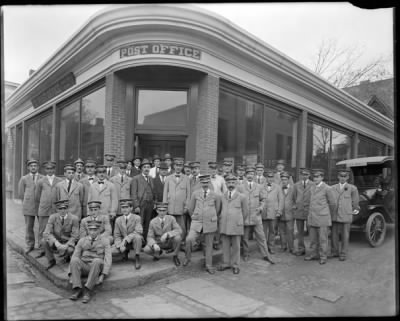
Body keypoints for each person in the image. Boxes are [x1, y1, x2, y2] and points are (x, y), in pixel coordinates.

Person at [184, 174, 222, 274]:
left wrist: (211, 216)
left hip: (210, 222)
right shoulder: (195, 194)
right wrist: (194, 216)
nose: (205, 184)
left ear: (209, 183)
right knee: (189, 239)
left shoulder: (216, 195)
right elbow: (190, 208)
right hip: (197, 222)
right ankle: (187, 258)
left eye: (207, 182)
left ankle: (209, 265)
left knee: (209, 245)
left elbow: (217, 209)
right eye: (203, 182)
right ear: (200, 183)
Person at [237, 166, 275, 263]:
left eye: (252, 174)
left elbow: (263, 199)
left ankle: (266, 255)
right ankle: (245, 253)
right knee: (245, 238)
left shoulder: (259, 187)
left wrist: (261, 207)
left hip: (256, 216)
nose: (250, 176)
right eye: (248, 174)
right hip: (245, 217)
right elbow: (237, 201)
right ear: (245, 175)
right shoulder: (240, 187)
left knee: (261, 237)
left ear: (254, 175)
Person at [68, 220, 112, 303]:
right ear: (87, 230)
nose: (92, 232)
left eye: (95, 230)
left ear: (99, 230)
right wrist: (71, 274)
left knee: (96, 261)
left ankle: (88, 291)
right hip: (85, 266)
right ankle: (78, 289)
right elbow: (75, 255)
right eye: (90, 230)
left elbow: (108, 258)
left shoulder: (104, 241)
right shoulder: (82, 240)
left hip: (97, 267)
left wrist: (103, 275)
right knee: (74, 260)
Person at [218, 175, 248, 274]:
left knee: (236, 246)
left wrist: (238, 220)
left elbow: (245, 212)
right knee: (225, 245)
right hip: (225, 225)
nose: (231, 185)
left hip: (236, 225)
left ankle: (235, 265)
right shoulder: (222, 196)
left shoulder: (242, 197)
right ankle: (225, 263)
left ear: (236, 184)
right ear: (226, 184)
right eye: (229, 183)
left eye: (233, 183)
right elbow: (219, 210)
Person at [305, 169, 335, 265]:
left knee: (323, 239)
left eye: (318, 177)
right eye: (314, 177)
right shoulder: (312, 187)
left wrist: (327, 214)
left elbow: (333, 204)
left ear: (322, 177)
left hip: (322, 218)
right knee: (313, 238)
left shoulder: (327, 188)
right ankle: (313, 254)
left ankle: (323, 256)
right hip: (312, 217)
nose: (315, 179)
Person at [330, 169, 360, 261]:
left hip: (346, 215)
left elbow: (355, 202)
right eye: (341, 176)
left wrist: (356, 209)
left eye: (344, 176)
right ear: (338, 177)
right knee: (333, 235)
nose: (342, 178)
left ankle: (343, 253)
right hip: (334, 214)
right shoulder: (333, 188)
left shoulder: (353, 188)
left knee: (345, 235)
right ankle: (334, 251)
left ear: (347, 177)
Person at [35, 161, 63, 257]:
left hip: (55, 209)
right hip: (44, 209)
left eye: (51, 168)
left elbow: (60, 195)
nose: (50, 170)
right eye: (47, 168)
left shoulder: (59, 181)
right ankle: (41, 248)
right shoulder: (40, 181)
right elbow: (37, 196)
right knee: (42, 229)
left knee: (56, 230)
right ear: (44, 170)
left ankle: (54, 247)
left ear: (54, 169)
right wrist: (44, 203)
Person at [41, 199, 79, 269]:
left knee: (70, 250)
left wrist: (66, 245)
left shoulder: (74, 218)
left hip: (68, 242)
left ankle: (67, 257)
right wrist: (56, 243)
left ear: (68, 209)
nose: (62, 211)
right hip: (56, 241)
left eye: (64, 208)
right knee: (44, 241)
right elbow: (46, 233)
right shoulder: (53, 217)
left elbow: (75, 236)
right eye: (60, 209)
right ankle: (51, 260)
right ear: (57, 210)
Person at [144, 202, 182, 266]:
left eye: (164, 210)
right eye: (160, 210)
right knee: (146, 249)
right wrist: (154, 245)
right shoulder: (153, 222)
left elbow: (179, 230)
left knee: (178, 238)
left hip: (169, 241)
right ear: (156, 211)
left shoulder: (171, 218)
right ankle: (158, 253)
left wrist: (168, 234)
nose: (162, 212)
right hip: (159, 243)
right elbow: (149, 237)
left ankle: (175, 256)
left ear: (167, 211)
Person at [163, 157, 190, 246]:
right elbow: (165, 193)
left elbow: (188, 193)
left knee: (181, 227)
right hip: (171, 206)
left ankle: (180, 244)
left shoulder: (186, 178)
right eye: (176, 165)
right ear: (174, 166)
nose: (178, 167)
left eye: (180, 165)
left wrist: (186, 206)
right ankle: (170, 244)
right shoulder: (168, 178)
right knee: (169, 225)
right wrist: (164, 206)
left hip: (181, 207)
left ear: (182, 167)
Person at [18, 159, 43, 254]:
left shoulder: (43, 178)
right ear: (28, 167)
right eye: (31, 166)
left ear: (38, 167)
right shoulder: (24, 178)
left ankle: (41, 246)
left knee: (42, 227)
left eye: (35, 166)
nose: (33, 167)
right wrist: (24, 203)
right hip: (28, 206)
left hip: (40, 206)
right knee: (29, 227)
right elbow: (21, 193)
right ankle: (30, 245)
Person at [112, 199, 143, 269]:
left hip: (133, 242)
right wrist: (120, 245)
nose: (124, 209)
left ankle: (137, 256)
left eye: (126, 207)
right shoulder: (118, 220)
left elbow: (138, 231)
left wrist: (126, 240)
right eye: (123, 208)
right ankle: (124, 253)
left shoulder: (137, 218)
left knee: (138, 237)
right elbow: (117, 235)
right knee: (112, 252)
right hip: (123, 243)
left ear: (131, 208)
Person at [87, 164, 118, 230]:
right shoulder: (92, 186)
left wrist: (113, 212)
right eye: (99, 172)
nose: (101, 174)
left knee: (107, 231)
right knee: (95, 230)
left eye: (103, 172)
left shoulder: (111, 185)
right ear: (96, 174)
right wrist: (88, 212)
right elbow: (89, 200)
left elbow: (114, 200)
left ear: (106, 174)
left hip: (107, 213)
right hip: (95, 213)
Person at [131, 158, 155, 240]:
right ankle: (138, 241)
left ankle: (145, 240)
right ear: (141, 168)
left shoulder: (151, 178)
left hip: (150, 204)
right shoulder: (136, 178)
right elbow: (133, 193)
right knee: (139, 223)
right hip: (141, 204)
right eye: (145, 167)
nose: (146, 169)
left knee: (148, 223)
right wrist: (136, 205)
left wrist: (154, 202)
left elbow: (153, 191)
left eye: (148, 167)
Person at [292, 168, 315, 256]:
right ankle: (301, 248)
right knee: (300, 231)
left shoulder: (313, 184)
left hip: (310, 211)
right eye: (303, 174)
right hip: (299, 211)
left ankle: (312, 250)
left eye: (306, 174)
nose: (304, 176)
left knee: (311, 231)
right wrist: (296, 205)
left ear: (309, 175)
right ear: (300, 175)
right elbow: (294, 197)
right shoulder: (296, 185)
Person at [261, 169, 284, 254]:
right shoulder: (261, 186)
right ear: (266, 178)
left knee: (272, 231)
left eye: (272, 177)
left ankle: (271, 247)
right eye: (268, 177)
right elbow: (258, 199)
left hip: (273, 212)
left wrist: (279, 211)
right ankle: (264, 248)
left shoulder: (277, 187)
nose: (270, 179)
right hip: (263, 212)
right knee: (263, 231)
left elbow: (281, 200)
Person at [209, 161, 227, 250]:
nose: (213, 171)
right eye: (211, 169)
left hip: (219, 202)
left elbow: (225, 192)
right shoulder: (206, 179)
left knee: (218, 221)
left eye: (214, 169)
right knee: (209, 221)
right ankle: (207, 241)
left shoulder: (221, 179)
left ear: (216, 170)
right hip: (209, 202)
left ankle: (216, 241)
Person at [277, 171, 295, 254]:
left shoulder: (293, 188)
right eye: (282, 179)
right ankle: (283, 246)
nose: (284, 181)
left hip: (290, 213)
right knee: (281, 231)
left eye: (285, 179)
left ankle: (291, 247)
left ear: (288, 180)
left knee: (290, 231)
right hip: (280, 214)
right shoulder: (278, 189)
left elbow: (296, 200)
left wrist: (293, 207)